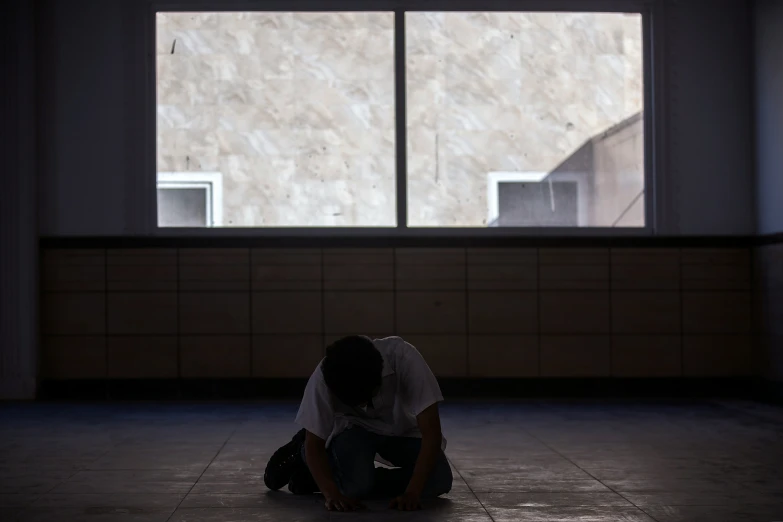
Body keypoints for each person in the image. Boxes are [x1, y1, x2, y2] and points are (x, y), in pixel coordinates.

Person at [263, 335, 453, 511]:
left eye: (367, 399)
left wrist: (412, 493)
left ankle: (320, 477)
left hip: (399, 431)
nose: (364, 406)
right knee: (355, 488)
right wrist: (331, 494)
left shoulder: (404, 357)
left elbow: (431, 434)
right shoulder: (324, 376)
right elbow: (315, 442)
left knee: (439, 479)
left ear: (378, 380)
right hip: (351, 429)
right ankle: (302, 452)